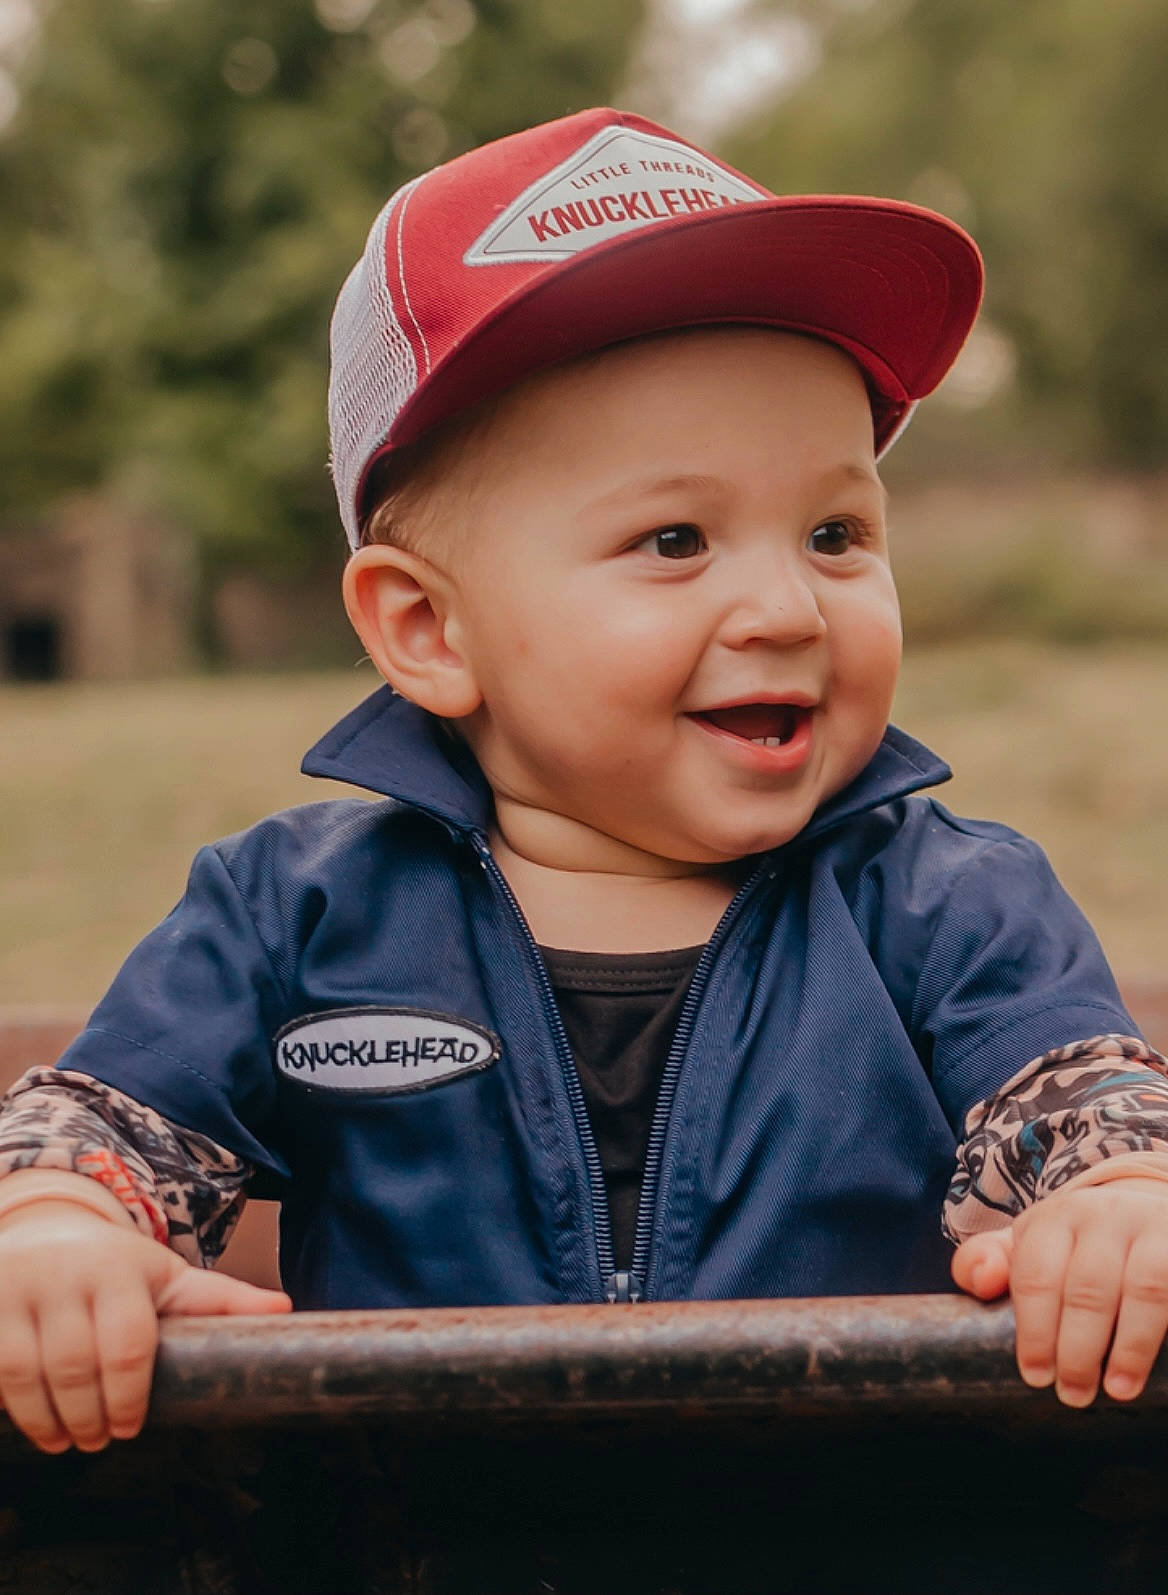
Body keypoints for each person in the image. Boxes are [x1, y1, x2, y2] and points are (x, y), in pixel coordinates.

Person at [2, 107, 1168, 1458]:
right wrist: (60, 1231)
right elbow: (105, 1131)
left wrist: (1121, 1197)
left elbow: (1083, 1107)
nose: (788, 604)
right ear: (429, 631)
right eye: (676, 538)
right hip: (424, 1541)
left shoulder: (944, 903)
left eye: (836, 532)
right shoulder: (294, 918)